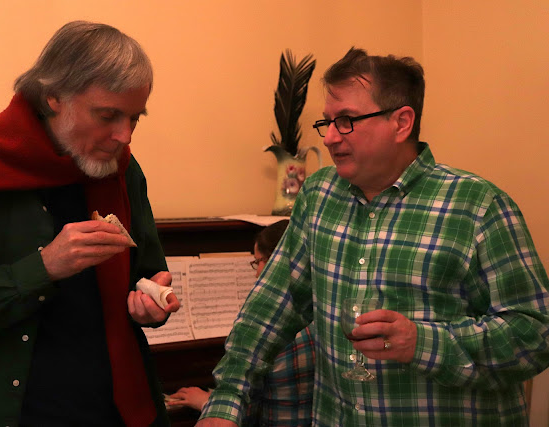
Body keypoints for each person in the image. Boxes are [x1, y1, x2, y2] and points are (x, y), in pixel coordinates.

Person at [196, 47, 549, 426]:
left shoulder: (478, 206)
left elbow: (536, 333)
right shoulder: (317, 195)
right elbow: (272, 305)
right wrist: (227, 398)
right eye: (327, 122)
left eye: (346, 120)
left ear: (401, 122)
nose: (330, 138)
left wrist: (423, 343)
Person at [0, 21, 180, 427]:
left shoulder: (124, 172)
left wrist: (150, 303)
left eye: (134, 118)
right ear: (54, 95)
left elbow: (145, 274)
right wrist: (44, 267)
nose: (124, 136)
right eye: (108, 115)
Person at [167, 220, 315, 426]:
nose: (256, 273)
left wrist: (206, 401)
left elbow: (253, 407)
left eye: (260, 261)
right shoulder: (315, 312)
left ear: (279, 261)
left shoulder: (280, 329)